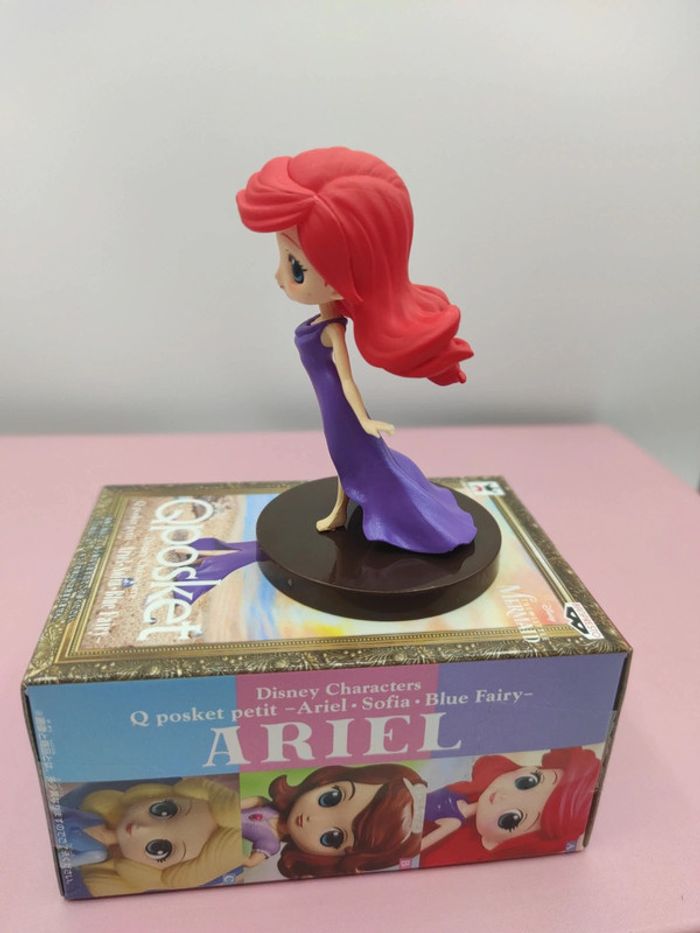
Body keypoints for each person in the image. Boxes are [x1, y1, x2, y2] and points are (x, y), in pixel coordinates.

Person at [236, 147, 477, 554]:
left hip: (341, 411)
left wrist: (363, 420)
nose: (279, 276)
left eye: (296, 267)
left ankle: (353, 512)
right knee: (344, 462)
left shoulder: (332, 328)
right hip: (330, 409)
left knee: (350, 459)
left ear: (340, 277)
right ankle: (339, 509)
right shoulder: (327, 316)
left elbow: (346, 378)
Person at [56, 777, 242, 896]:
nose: (141, 829)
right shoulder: (94, 814)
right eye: (163, 810)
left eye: (159, 849)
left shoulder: (97, 856)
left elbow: (64, 862)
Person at [419, 747, 601, 867]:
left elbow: (412, 850)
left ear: (493, 843)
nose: (504, 797)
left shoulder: (453, 833)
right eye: (527, 782)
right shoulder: (471, 778)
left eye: (512, 819)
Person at [240, 763, 426, 879]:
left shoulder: (270, 845)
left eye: (332, 838)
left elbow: (248, 862)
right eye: (330, 798)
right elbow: (239, 805)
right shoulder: (265, 804)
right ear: (330, 781)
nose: (313, 819)